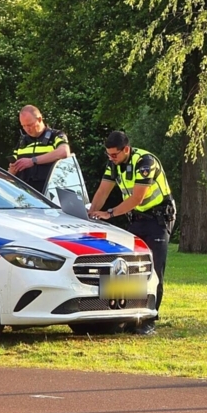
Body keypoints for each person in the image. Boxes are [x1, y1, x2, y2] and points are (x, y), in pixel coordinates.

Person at [89, 131, 176, 335]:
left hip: (158, 219)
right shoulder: (114, 164)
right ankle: (128, 316)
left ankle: (149, 319)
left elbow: (137, 198)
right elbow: (103, 191)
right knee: (129, 266)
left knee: (154, 268)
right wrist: (90, 213)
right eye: (108, 155)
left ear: (126, 149)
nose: (111, 158)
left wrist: (109, 213)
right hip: (138, 218)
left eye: (115, 155)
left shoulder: (145, 162)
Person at [8, 105, 70, 195]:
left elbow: (64, 152)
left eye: (30, 125)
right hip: (25, 197)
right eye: (23, 126)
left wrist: (33, 161)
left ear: (40, 119)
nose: (27, 129)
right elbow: (11, 171)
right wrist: (11, 171)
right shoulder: (22, 141)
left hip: (50, 195)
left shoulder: (55, 135)